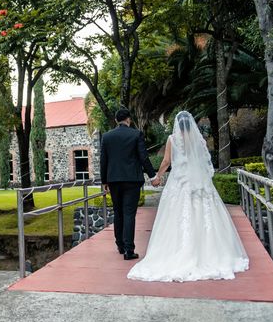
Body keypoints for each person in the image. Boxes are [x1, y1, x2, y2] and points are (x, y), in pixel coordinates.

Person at [127, 111, 249, 282]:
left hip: (180, 181)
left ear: (177, 124)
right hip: (198, 181)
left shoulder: (172, 139)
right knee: (205, 213)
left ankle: (178, 252)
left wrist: (157, 176)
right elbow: (203, 161)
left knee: (176, 214)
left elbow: (167, 161)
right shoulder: (198, 139)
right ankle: (211, 253)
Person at [100, 108, 157, 260]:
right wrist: (153, 176)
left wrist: (104, 181)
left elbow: (103, 161)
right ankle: (129, 250)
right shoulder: (136, 134)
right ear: (128, 120)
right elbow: (144, 158)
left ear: (116, 120)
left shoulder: (106, 137)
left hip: (114, 180)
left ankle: (120, 245)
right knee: (129, 214)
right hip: (132, 180)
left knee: (118, 213)